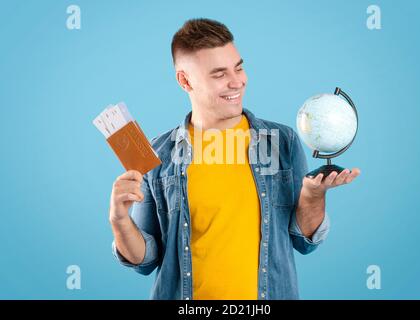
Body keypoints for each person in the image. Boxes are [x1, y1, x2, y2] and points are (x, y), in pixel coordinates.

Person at [109, 18, 360, 300]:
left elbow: (303, 242)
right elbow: (145, 260)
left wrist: (313, 197)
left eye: (238, 67)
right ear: (185, 80)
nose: (236, 81)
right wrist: (119, 220)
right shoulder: (160, 154)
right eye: (219, 74)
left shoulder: (282, 141)